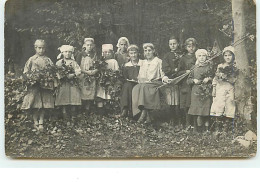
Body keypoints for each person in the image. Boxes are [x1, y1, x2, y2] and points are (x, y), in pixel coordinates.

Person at [21, 39, 55, 131]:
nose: (41, 50)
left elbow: (52, 71)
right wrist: (32, 78)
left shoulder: (48, 60)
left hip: (45, 85)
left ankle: (41, 122)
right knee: (35, 104)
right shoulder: (32, 59)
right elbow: (26, 72)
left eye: (43, 48)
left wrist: (49, 77)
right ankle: (35, 121)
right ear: (35, 48)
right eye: (39, 48)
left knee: (43, 103)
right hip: (34, 86)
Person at [132, 43, 168, 124]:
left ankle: (143, 114)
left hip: (155, 82)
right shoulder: (143, 62)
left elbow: (163, 74)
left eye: (149, 50)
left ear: (153, 51)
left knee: (144, 88)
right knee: (136, 88)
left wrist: (165, 79)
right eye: (145, 51)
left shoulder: (158, 61)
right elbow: (140, 76)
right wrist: (141, 80)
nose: (147, 52)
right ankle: (147, 116)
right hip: (145, 83)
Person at [210, 46, 237, 133]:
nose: (228, 57)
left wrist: (228, 78)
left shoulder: (234, 66)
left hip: (229, 88)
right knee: (219, 105)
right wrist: (214, 88)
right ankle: (218, 128)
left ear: (233, 56)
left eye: (229, 55)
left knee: (229, 106)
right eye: (225, 55)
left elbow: (235, 79)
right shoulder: (220, 66)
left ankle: (226, 128)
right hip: (220, 88)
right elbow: (215, 78)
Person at [187, 49, 213, 133]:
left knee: (205, 109)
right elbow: (188, 80)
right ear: (197, 57)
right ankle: (197, 128)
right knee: (196, 110)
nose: (202, 58)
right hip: (196, 90)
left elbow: (214, 77)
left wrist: (209, 78)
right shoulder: (194, 67)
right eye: (199, 56)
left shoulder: (210, 66)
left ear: (206, 57)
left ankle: (206, 129)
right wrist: (193, 80)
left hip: (206, 90)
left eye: (203, 56)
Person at [55, 45, 82, 120]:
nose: (67, 54)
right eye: (66, 52)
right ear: (62, 53)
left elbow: (78, 71)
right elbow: (57, 72)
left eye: (69, 52)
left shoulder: (73, 62)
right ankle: (65, 114)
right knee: (64, 97)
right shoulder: (59, 62)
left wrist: (73, 75)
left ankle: (73, 115)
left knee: (73, 97)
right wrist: (63, 75)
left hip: (72, 83)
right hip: (63, 83)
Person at [162, 35, 183, 127]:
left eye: (174, 44)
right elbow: (165, 68)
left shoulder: (182, 54)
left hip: (180, 80)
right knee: (171, 101)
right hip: (170, 80)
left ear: (178, 44)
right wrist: (173, 71)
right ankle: (171, 119)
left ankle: (179, 120)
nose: (173, 46)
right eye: (171, 44)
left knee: (178, 101)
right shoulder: (167, 56)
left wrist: (179, 71)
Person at [177, 38, 197, 128]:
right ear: (186, 47)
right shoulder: (183, 58)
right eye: (189, 46)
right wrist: (186, 71)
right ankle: (187, 123)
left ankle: (195, 124)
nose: (191, 48)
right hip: (186, 83)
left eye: (193, 46)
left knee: (195, 102)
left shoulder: (198, 56)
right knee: (186, 103)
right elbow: (178, 72)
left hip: (196, 82)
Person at [76, 38, 98, 114]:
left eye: (91, 45)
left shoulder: (94, 54)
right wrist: (85, 72)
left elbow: (97, 65)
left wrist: (94, 71)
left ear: (93, 46)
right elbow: (77, 66)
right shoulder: (80, 54)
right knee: (83, 91)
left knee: (90, 91)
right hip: (83, 75)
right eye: (87, 45)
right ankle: (81, 109)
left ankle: (88, 109)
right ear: (84, 45)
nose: (89, 46)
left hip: (91, 76)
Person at [96, 44, 119, 115]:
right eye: (105, 52)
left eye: (109, 52)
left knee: (109, 94)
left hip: (110, 80)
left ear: (112, 53)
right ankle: (100, 111)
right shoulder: (101, 61)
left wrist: (112, 76)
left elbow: (117, 71)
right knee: (100, 95)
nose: (107, 54)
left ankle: (108, 110)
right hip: (102, 81)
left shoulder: (114, 61)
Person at [120, 44, 142, 118]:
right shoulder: (127, 65)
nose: (133, 55)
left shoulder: (142, 63)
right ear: (129, 55)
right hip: (130, 83)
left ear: (138, 53)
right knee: (127, 85)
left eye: (135, 53)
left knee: (129, 86)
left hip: (141, 83)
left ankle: (133, 111)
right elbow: (125, 77)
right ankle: (125, 109)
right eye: (131, 53)